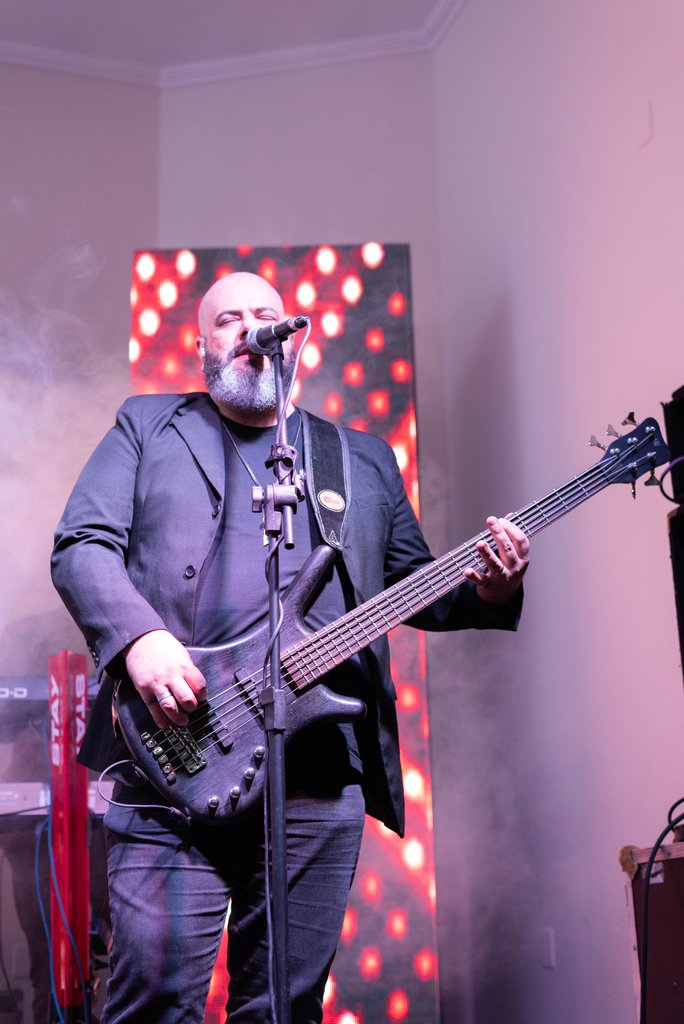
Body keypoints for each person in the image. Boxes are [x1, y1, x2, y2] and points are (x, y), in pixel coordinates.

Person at [51, 271, 529, 1023]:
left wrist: (493, 589)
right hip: (172, 749)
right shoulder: (147, 427)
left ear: (293, 337)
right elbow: (82, 545)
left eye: (265, 314)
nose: (250, 328)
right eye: (228, 319)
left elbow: (420, 588)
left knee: (283, 1006)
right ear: (202, 347)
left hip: (317, 774)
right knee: (153, 1001)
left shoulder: (359, 459)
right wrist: (139, 640)